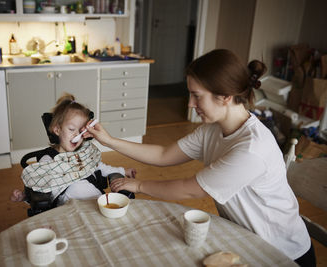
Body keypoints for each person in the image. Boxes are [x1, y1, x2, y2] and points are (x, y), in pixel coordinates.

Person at [86, 49, 315, 266]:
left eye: (197, 96)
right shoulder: (213, 130)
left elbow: (191, 189)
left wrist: (138, 184)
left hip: (282, 253)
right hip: (245, 240)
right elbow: (164, 154)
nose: (190, 104)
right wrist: (109, 141)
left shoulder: (251, 149)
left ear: (225, 96)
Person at [11, 93, 136, 206]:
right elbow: (39, 188)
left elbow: (101, 167)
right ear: (57, 129)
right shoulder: (48, 160)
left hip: (97, 201)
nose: (77, 135)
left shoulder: (85, 152)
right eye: (71, 129)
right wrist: (25, 196)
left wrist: (123, 171)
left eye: (81, 131)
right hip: (70, 209)